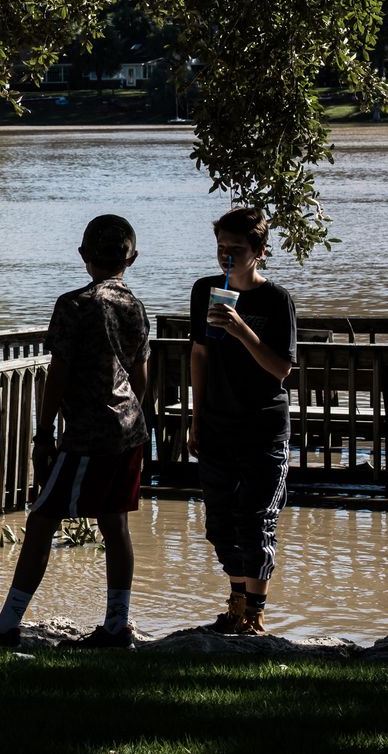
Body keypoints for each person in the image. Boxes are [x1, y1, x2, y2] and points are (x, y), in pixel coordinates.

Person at [0, 214, 150, 649]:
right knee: (114, 525)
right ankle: (117, 625)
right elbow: (140, 379)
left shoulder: (73, 304)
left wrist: (44, 435)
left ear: (83, 256)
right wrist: (132, 419)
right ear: (132, 258)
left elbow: (58, 374)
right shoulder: (135, 307)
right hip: (130, 430)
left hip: (88, 435)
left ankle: (5, 627)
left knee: (42, 521)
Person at [188, 207, 296, 635]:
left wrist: (242, 330)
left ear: (260, 252)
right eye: (221, 248)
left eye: (236, 249)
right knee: (220, 521)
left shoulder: (276, 300)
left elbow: (281, 369)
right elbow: (199, 353)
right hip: (216, 422)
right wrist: (195, 419)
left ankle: (255, 612)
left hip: (263, 426)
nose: (226, 257)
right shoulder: (204, 290)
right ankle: (235, 602)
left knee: (257, 518)